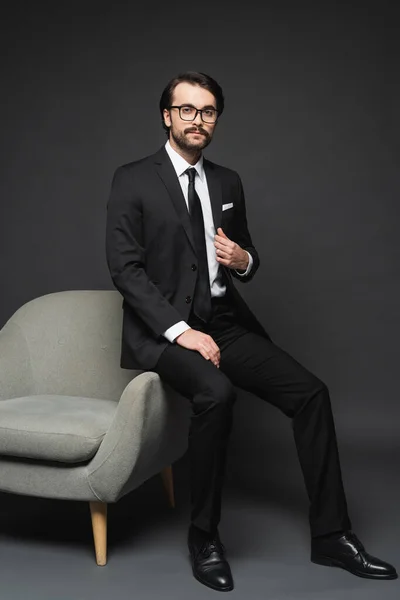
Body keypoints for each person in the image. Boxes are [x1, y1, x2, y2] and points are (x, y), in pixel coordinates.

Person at [105, 71, 397, 592]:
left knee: (311, 394)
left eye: (209, 111)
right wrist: (181, 332)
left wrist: (243, 260)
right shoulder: (132, 178)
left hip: (225, 324)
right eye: (188, 110)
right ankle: (204, 538)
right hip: (166, 333)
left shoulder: (227, 181)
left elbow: (247, 255)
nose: (199, 120)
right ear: (167, 116)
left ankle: (331, 535)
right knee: (216, 395)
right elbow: (125, 269)